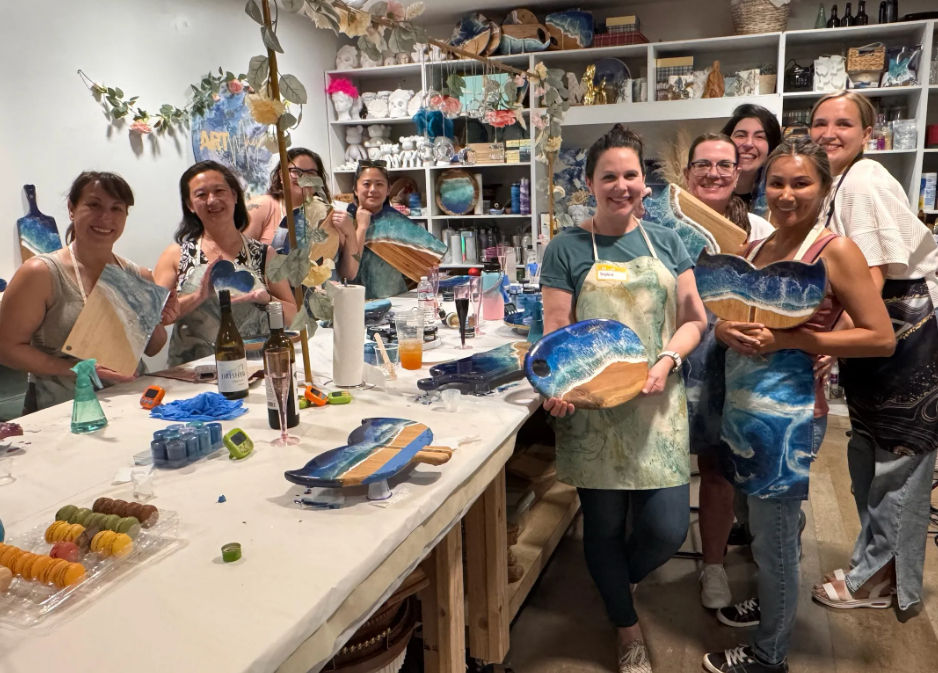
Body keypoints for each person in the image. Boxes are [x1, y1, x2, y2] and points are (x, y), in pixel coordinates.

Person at [703, 137, 895, 673]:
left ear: (825, 187)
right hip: (743, 410)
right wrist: (723, 327)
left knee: (776, 540)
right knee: (765, 531)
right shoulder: (757, 246)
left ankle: (769, 656)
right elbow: (730, 313)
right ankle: (773, 605)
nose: (786, 194)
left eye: (801, 183)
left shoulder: (834, 249)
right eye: (778, 182)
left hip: (787, 419)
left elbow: (881, 337)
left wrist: (796, 342)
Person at [539, 124, 707, 673]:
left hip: (659, 400)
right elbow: (557, 330)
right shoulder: (566, 247)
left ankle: (618, 580)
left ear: (644, 184)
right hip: (594, 408)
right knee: (603, 528)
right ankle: (625, 624)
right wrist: (559, 389)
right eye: (608, 176)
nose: (621, 185)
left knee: (667, 529)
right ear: (589, 183)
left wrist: (667, 359)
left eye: (630, 174)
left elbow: (693, 320)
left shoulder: (668, 240)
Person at [807, 91, 938, 615]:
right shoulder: (838, 183)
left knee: (898, 459)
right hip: (882, 328)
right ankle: (874, 563)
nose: (829, 133)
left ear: (868, 132)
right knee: (870, 450)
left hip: (906, 329)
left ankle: (879, 580)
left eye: (843, 123)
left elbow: (874, 274)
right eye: (819, 123)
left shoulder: (864, 179)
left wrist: (827, 344)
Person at [680, 133, 774, 610]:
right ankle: (645, 554)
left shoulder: (758, 231)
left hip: (730, 360)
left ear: (738, 173)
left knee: (718, 467)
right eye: (703, 165)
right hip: (675, 354)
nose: (714, 173)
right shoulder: (663, 227)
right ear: (687, 172)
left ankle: (713, 564)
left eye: (724, 165)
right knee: (659, 462)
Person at [0, 171, 176, 413]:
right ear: (72, 208)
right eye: (94, 205)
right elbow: (6, 349)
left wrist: (157, 318)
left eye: (117, 208)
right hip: (64, 409)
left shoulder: (137, 274)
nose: (106, 217)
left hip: (134, 404)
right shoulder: (40, 273)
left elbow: (153, 348)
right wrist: (72, 368)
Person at [154, 160, 296, 366]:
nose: (212, 200)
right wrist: (197, 297)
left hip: (255, 367)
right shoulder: (176, 255)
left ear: (234, 196)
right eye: (201, 195)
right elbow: (156, 321)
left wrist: (267, 299)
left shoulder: (265, 255)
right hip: (194, 372)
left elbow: (293, 315)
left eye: (219, 191)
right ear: (190, 205)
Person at [329, 160, 415, 299]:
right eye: (366, 184)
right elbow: (348, 271)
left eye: (379, 184)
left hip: (397, 300)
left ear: (388, 190)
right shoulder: (343, 222)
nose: (373, 189)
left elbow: (415, 267)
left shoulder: (398, 223)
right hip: (356, 303)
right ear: (356, 189)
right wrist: (361, 228)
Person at [245, 147, 332, 251]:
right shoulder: (261, 206)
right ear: (282, 175)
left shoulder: (326, 214)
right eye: (296, 171)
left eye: (311, 173)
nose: (304, 177)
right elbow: (240, 255)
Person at [720, 104, 782, 218]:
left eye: (759, 137)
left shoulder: (779, 198)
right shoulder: (710, 190)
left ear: (771, 148)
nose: (748, 144)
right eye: (740, 135)